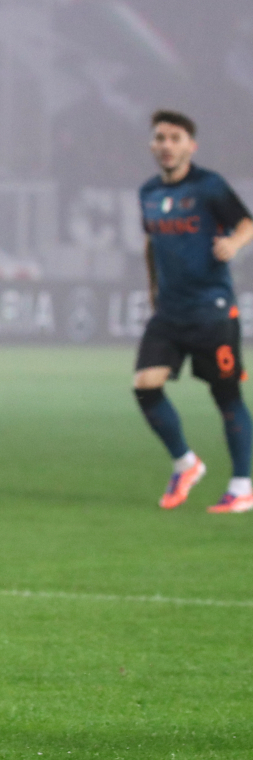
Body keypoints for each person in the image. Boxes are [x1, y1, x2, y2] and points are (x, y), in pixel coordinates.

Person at [134, 110, 253, 512]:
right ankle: (186, 464)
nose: (166, 145)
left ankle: (241, 485)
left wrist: (234, 244)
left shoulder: (209, 186)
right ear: (152, 145)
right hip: (170, 311)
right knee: (145, 385)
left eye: (175, 138)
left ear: (191, 146)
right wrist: (152, 287)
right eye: (160, 138)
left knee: (226, 394)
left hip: (211, 310)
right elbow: (151, 243)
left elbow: (246, 223)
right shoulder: (149, 192)